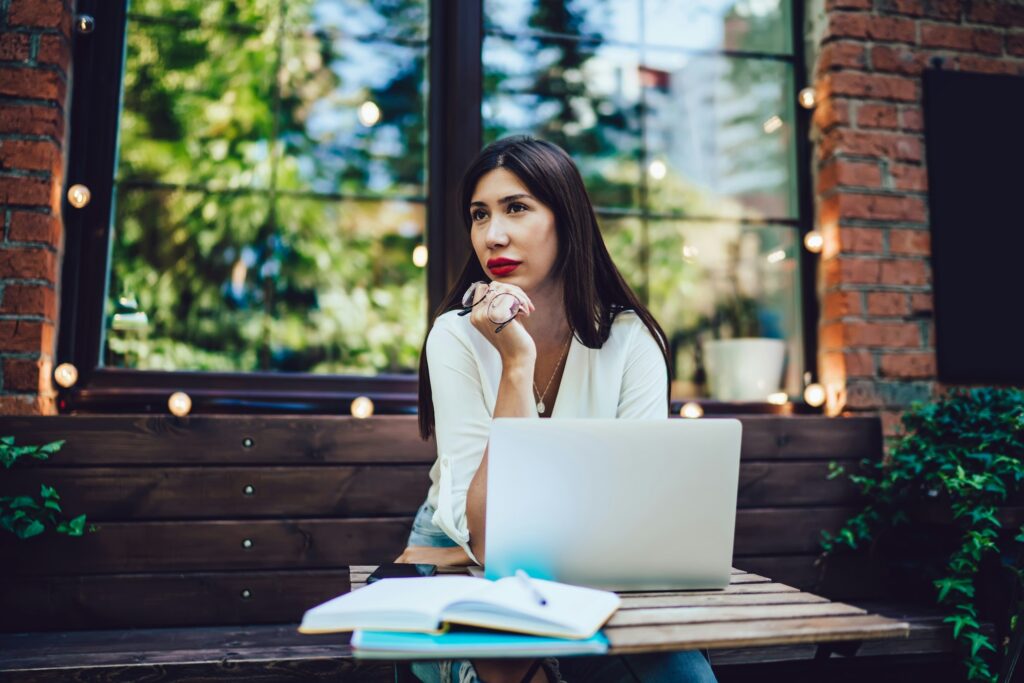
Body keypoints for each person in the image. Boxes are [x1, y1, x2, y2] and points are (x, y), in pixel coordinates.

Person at [398, 136, 717, 683]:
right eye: (480, 215)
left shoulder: (631, 339)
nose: (493, 235)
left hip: (594, 561)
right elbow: (491, 540)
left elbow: (637, 513)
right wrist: (515, 363)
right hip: (457, 555)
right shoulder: (455, 337)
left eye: (516, 208)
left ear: (565, 219)